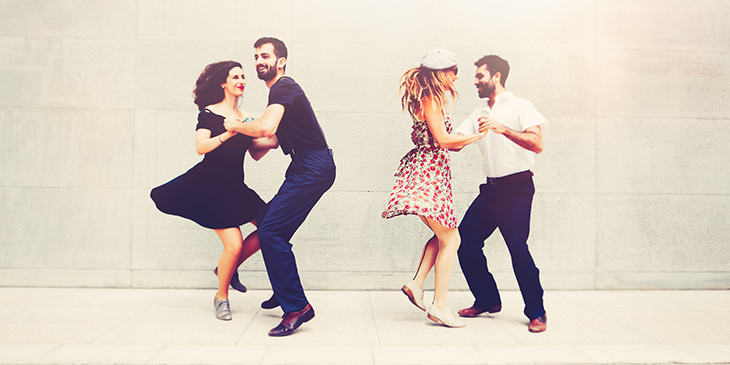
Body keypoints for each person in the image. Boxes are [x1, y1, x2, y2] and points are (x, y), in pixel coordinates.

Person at [223, 37, 335, 337]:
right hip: (305, 167)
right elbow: (263, 145)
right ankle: (278, 289)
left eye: (266, 56)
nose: (260, 61)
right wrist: (241, 133)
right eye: (256, 56)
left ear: (280, 61)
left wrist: (235, 124)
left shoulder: (284, 87)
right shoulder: (278, 98)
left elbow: (266, 128)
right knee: (268, 226)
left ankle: (297, 307)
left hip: (314, 167)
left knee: (271, 231)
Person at [150, 61, 278, 321]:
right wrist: (228, 133)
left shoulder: (246, 116)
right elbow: (201, 147)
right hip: (210, 187)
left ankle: (225, 270)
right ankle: (222, 297)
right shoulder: (209, 113)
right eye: (235, 76)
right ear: (223, 82)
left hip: (235, 187)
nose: (241, 80)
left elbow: (254, 153)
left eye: (243, 76)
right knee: (234, 244)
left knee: (271, 227)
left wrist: (274, 142)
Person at [382, 49, 487, 328]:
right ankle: (440, 306)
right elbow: (442, 139)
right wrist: (478, 136)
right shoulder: (430, 99)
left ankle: (417, 285)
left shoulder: (430, 99)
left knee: (442, 236)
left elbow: (446, 141)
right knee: (452, 239)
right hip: (428, 175)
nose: (456, 76)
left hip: (433, 174)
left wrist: (462, 139)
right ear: (442, 73)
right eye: (453, 71)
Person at [452, 55, 549, 333]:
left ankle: (537, 312)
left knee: (517, 248)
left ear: (496, 77)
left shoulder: (521, 106)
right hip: (491, 190)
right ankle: (487, 299)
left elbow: (537, 143)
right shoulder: (478, 113)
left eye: (480, 76)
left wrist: (501, 128)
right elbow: (455, 143)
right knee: (465, 240)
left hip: (517, 189)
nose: (475, 82)